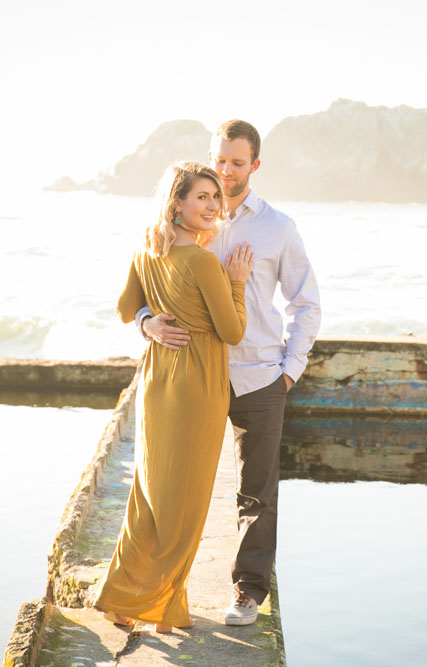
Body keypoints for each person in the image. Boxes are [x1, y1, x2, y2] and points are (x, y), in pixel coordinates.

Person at [137, 120, 321, 626]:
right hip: (193, 378)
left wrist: (290, 370)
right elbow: (149, 286)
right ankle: (156, 589)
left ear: (254, 166)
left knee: (257, 491)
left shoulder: (277, 228)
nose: (225, 171)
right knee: (175, 484)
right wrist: (147, 323)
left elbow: (306, 303)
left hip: (259, 376)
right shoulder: (191, 221)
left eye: (236, 162)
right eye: (219, 160)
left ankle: (247, 592)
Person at [95, 161, 254, 633]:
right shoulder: (205, 263)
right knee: (184, 502)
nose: (211, 205)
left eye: (214, 197)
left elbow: (125, 310)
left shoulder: (147, 252)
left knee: (150, 494)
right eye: (200, 197)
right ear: (176, 204)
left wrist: (149, 323)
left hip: (157, 381)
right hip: (197, 386)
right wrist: (238, 281)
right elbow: (232, 330)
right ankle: (159, 605)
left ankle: (128, 598)